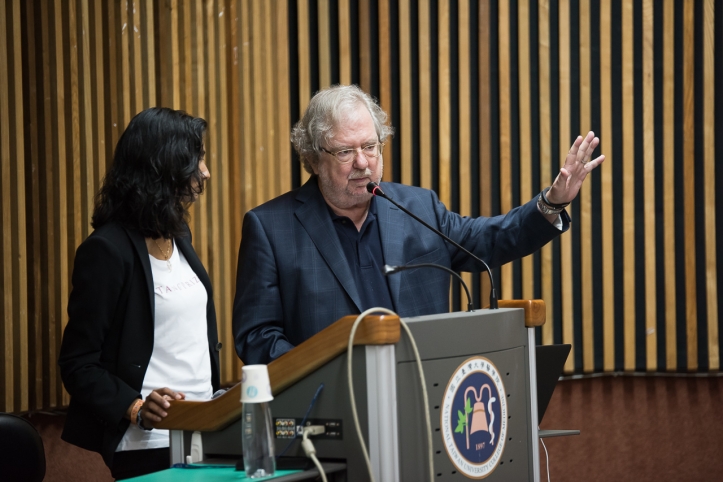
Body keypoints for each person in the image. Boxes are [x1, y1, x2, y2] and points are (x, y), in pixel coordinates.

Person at [233, 84, 604, 365]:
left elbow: (489, 240)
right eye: (345, 151)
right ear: (314, 159)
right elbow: (256, 338)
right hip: (332, 411)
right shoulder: (270, 228)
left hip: (425, 400)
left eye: (371, 146)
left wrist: (551, 202)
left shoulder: (416, 207)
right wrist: (322, 370)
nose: (363, 163)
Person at [58, 107, 221, 480]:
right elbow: (78, 363)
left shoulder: (179, 236)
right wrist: (134, 407)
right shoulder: (107, 250)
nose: (205, 172)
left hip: (207, 431)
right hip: (148, 446)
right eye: (195, 159)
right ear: (163, 167)